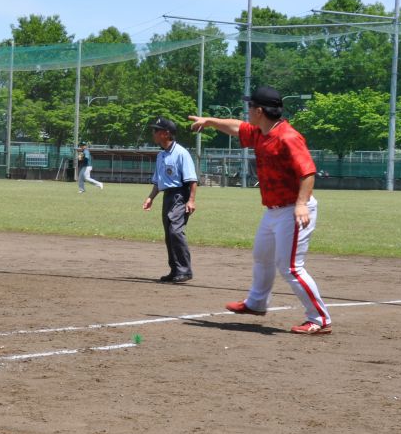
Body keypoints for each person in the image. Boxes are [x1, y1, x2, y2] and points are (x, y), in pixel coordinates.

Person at [188, 86, 331, 335]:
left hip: (294, 209)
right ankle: (256, 303)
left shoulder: (288, 137)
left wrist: (300, 204)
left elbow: (308, 172)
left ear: (259, 111)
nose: (247, 111)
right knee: (262, 256)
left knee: (291, 267)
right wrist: (209, 121)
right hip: (274, 210)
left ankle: (319, 318)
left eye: (250, 106)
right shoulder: (261, 133)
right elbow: (236, 127)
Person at [142, 117, 197, 283]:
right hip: (168, 196)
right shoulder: (161, 155)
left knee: (175, 231)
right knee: (169, 234)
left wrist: (191, 200)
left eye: (156, 130)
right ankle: (175, 270)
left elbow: (192, 180)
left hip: (180, 195)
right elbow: (158, 181)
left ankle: (185, 270)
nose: (153, 133)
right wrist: (150, 197)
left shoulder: (181, 153)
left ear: (166, 134)